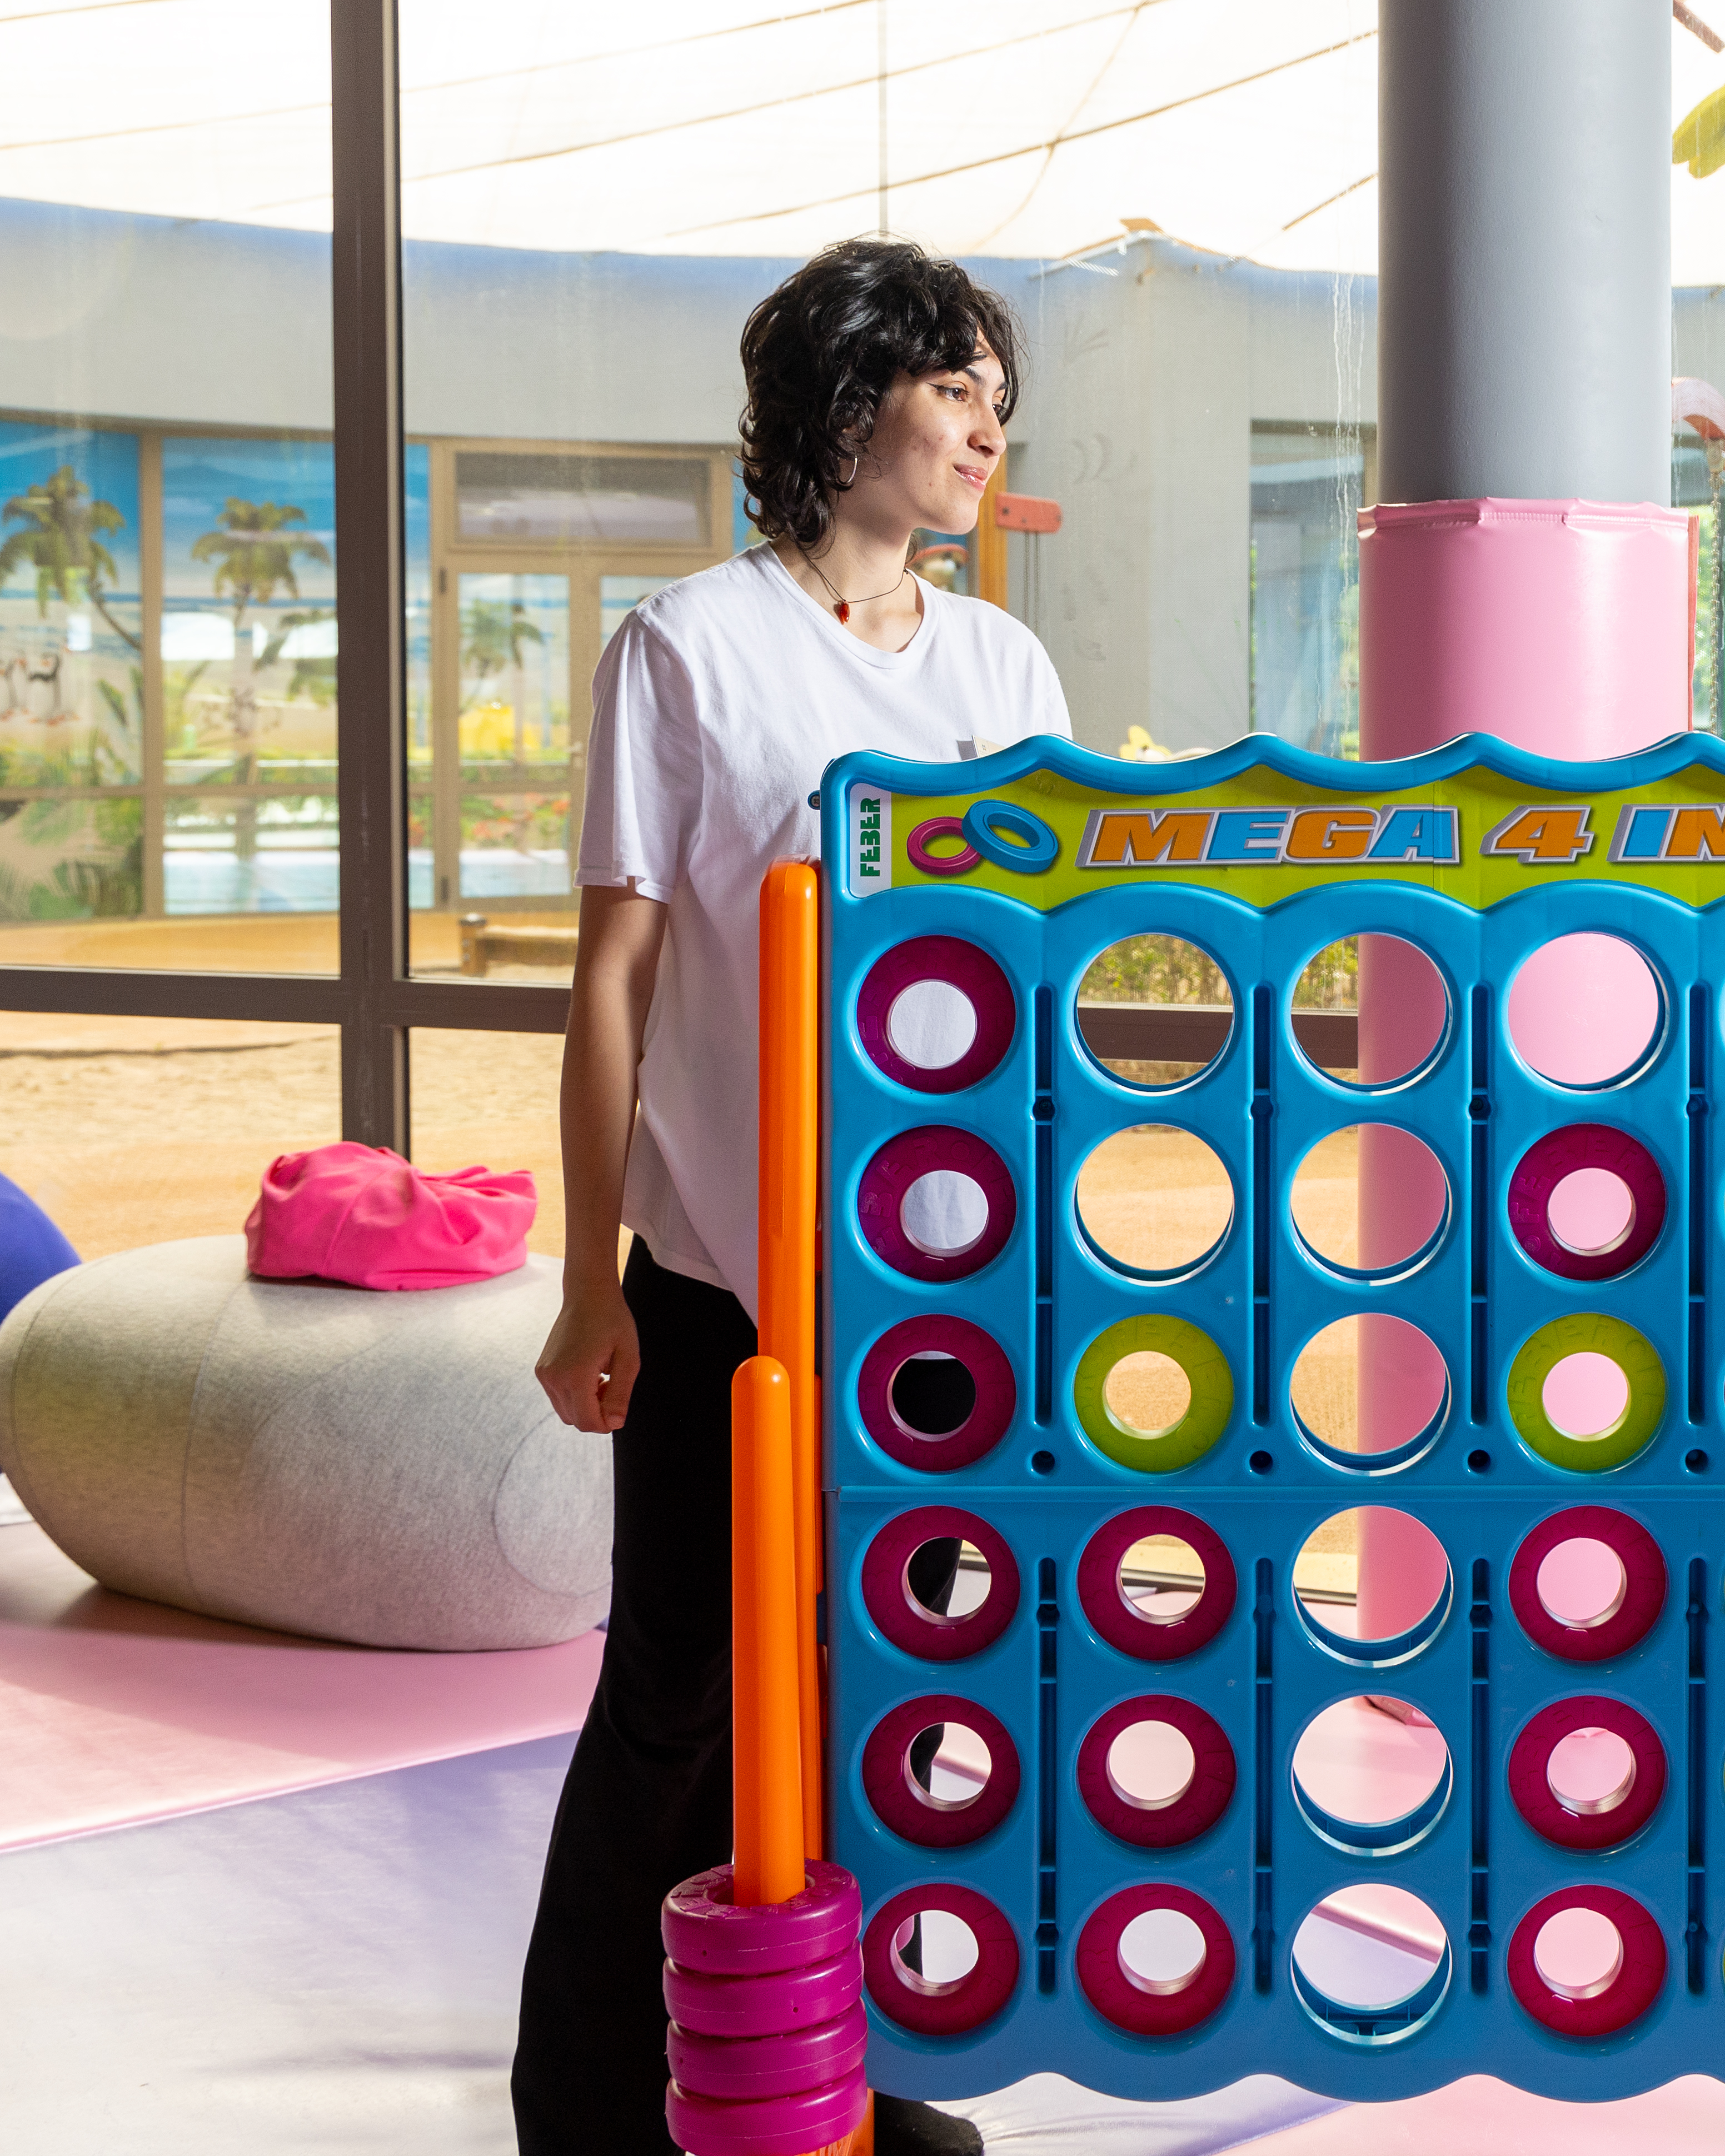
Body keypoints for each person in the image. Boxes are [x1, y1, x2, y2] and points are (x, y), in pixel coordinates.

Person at [517, 237, 1069, 2156]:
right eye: (955, 386)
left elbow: (1030, 988)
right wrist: (592, 1286)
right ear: (846, 408)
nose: (990, 420)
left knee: (896, 1702)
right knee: (677, 1704)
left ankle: (844, 2082)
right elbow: (615, 982)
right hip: (723, 1291)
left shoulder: (1003, 667)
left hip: (939, 1299)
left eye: (1001, 391)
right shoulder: (691, 643)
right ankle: (591, 2111)